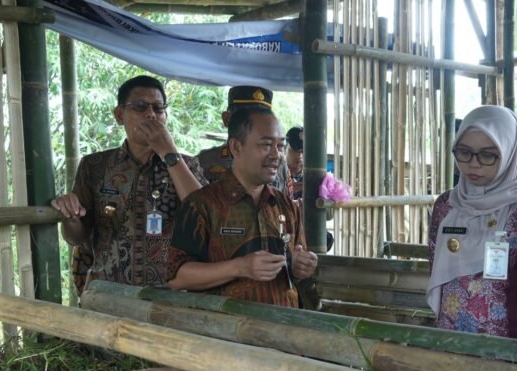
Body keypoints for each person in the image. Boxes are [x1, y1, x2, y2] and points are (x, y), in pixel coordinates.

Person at [426, 105, 517, 342]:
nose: (473, 164)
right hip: (450, 343)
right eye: (464, 152)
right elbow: (435, 268)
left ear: (508, 152)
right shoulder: (446, 206)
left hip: (513, 346)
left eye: (488, 154)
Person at [51, 75, 207, 288]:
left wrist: (168, 152)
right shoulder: (95, 165)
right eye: (140, 107)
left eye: (158, 108)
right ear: (119, 115)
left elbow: (204, 216)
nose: (150, 114)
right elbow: (77, 238)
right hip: (109, 293)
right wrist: (70, 216)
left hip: (170, 297)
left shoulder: (186, 165)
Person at [167, 107, 318, 308]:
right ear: (236, 147)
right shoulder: (202, 204)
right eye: (266, 145)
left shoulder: (286, 206)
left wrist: (301, 268)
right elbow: (177, 277)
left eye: (281, 146)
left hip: (283, 330)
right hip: (222, 334)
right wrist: (240, 267)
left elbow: (299, 274)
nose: (276, 155)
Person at [196, 85, 289, 194]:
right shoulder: (205, 161)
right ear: (226, 118)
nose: (256, 122)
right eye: (242, 116)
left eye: (263, 116)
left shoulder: (279, 165)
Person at [285, 126, 304, 200]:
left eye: (303, 151)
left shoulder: (311, 178)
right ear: (284, 148)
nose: (299, 156)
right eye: (295, 150)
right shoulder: (273, 175)